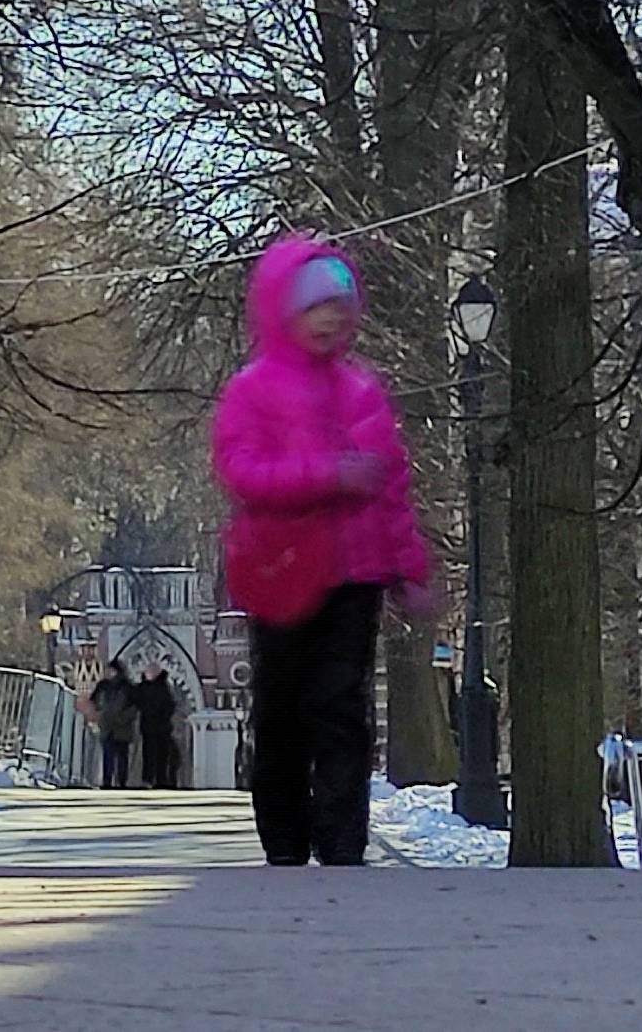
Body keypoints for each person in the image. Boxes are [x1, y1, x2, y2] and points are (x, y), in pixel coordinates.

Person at [211, 234, 436, 866]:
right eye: (315, 305)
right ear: (283, 310)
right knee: (282, 708)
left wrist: (409, 570)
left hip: (354, 575)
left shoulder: (361, 392)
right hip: (281, 572)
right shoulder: (254, 391)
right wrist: (327, 474)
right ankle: (284, 841)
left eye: (341, 304)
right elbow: (241, 471)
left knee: (343, 707)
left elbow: (391, 491)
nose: (331, 318)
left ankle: (342, 842)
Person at [89, 666, 139, 788]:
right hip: (107, 727)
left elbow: (134, 708)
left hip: (122, 729)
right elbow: (93, 702)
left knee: (122, 756)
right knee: (108, 755)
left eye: (111, 670)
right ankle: (107, 781)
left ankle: (121, 781)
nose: (108, 673)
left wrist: (123, 718)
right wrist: (99, 715)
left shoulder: (127, 687)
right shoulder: (102, 686)